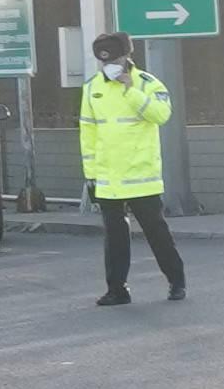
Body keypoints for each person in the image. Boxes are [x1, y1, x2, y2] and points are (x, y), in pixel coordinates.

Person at [75, 31, 185, 306]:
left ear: (127, 56)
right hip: (108, 177)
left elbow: (161, 115)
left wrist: (130, 90)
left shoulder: (148, 83)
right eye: (103, 61)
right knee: (114, 239)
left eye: (113, 59)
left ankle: (176, 281)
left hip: (140, 176)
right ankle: (117, 289)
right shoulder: (92, 88)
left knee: (156, 233)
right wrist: (91, 175)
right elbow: (87, 133)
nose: (109, 65)